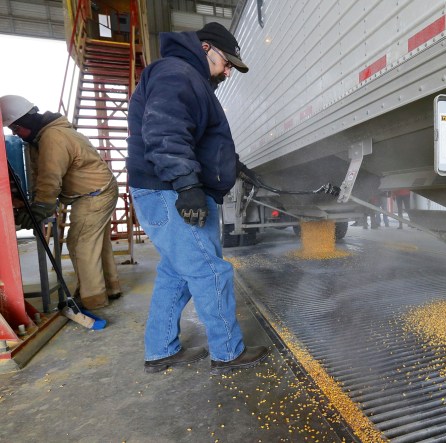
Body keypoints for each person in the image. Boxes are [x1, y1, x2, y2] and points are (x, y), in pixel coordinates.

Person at [126, 22, 269, 374]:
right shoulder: (177, 73)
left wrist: (232, 164)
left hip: (166, 189)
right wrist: (187, 185)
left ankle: (160, 350)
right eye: (226, 62)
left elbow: (196, 136)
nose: (228, 71)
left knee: (176, 274)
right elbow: (165, 129)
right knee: (210, 271)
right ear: (206, 48)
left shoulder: (186, 77)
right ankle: (227, 352)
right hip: (170, 191)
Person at [0, 95, 121, 310]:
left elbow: (50, 176)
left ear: (24, 122)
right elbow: (41, 174)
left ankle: (93, 299)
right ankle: (110, 287)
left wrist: (41, 206)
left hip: (94, 193)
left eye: (16, 129)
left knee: (80, 244)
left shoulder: (52, 137)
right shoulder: (46, 135)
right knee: (97, 243)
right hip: (100, 188)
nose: (15, 134)